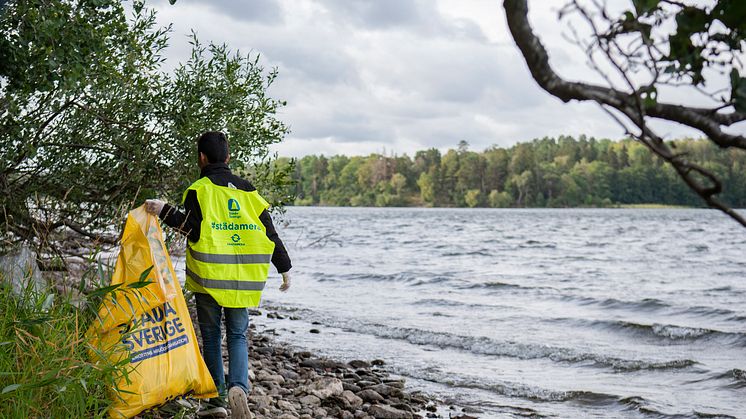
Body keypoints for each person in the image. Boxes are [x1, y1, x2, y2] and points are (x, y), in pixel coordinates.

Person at [144, 131, 292, 419]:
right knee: (237, 334)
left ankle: (217, 400)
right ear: (228, 157)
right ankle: (239, 388)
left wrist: (163, 210)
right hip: (241, 281)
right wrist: (284, 268)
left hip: (208, 278)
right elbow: (268, 232)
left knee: (211, 338)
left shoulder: (199, 189)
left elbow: (192, 228)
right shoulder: (248, 190)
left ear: (201, 157)